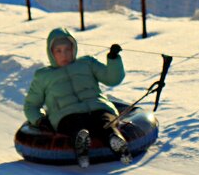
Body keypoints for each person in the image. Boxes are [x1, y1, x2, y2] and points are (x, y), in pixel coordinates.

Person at [23, 28, 128, 167]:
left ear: (74, 48)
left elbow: (112, 79)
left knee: (104, 121)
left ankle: (116, 141)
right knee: (74, 124)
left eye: (67, 49)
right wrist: (39, 120)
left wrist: (113, 59)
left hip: (97, 106)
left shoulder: (87, 63)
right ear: (51, 53)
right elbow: (31, 105)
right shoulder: (43, 76)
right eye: (59, 51)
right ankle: (81, 146)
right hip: (66, 113)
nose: (64, 54)